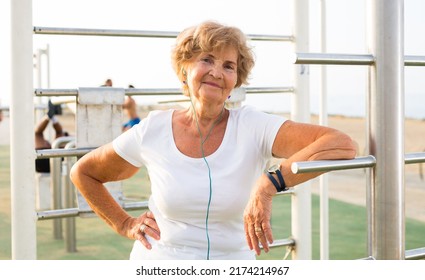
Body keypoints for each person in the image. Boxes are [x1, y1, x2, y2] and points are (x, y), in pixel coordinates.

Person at [70, 21, 357, 260]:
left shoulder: (253, 125)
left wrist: (271, 183)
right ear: (185, 70)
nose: (217, 72)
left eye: (229, 66)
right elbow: (83, 172)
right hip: (161, 261)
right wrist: (124, 223)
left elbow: (341, 144)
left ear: (236, 80)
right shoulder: (153, 129)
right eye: (207, 59)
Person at [35, 101, 68, 173]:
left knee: (37, 134)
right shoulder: (55, 146)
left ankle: (50, 116)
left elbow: (38, 133)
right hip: (55, 161)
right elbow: (59, 132)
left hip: (42, 162)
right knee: (59, 135)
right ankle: (51, 117)